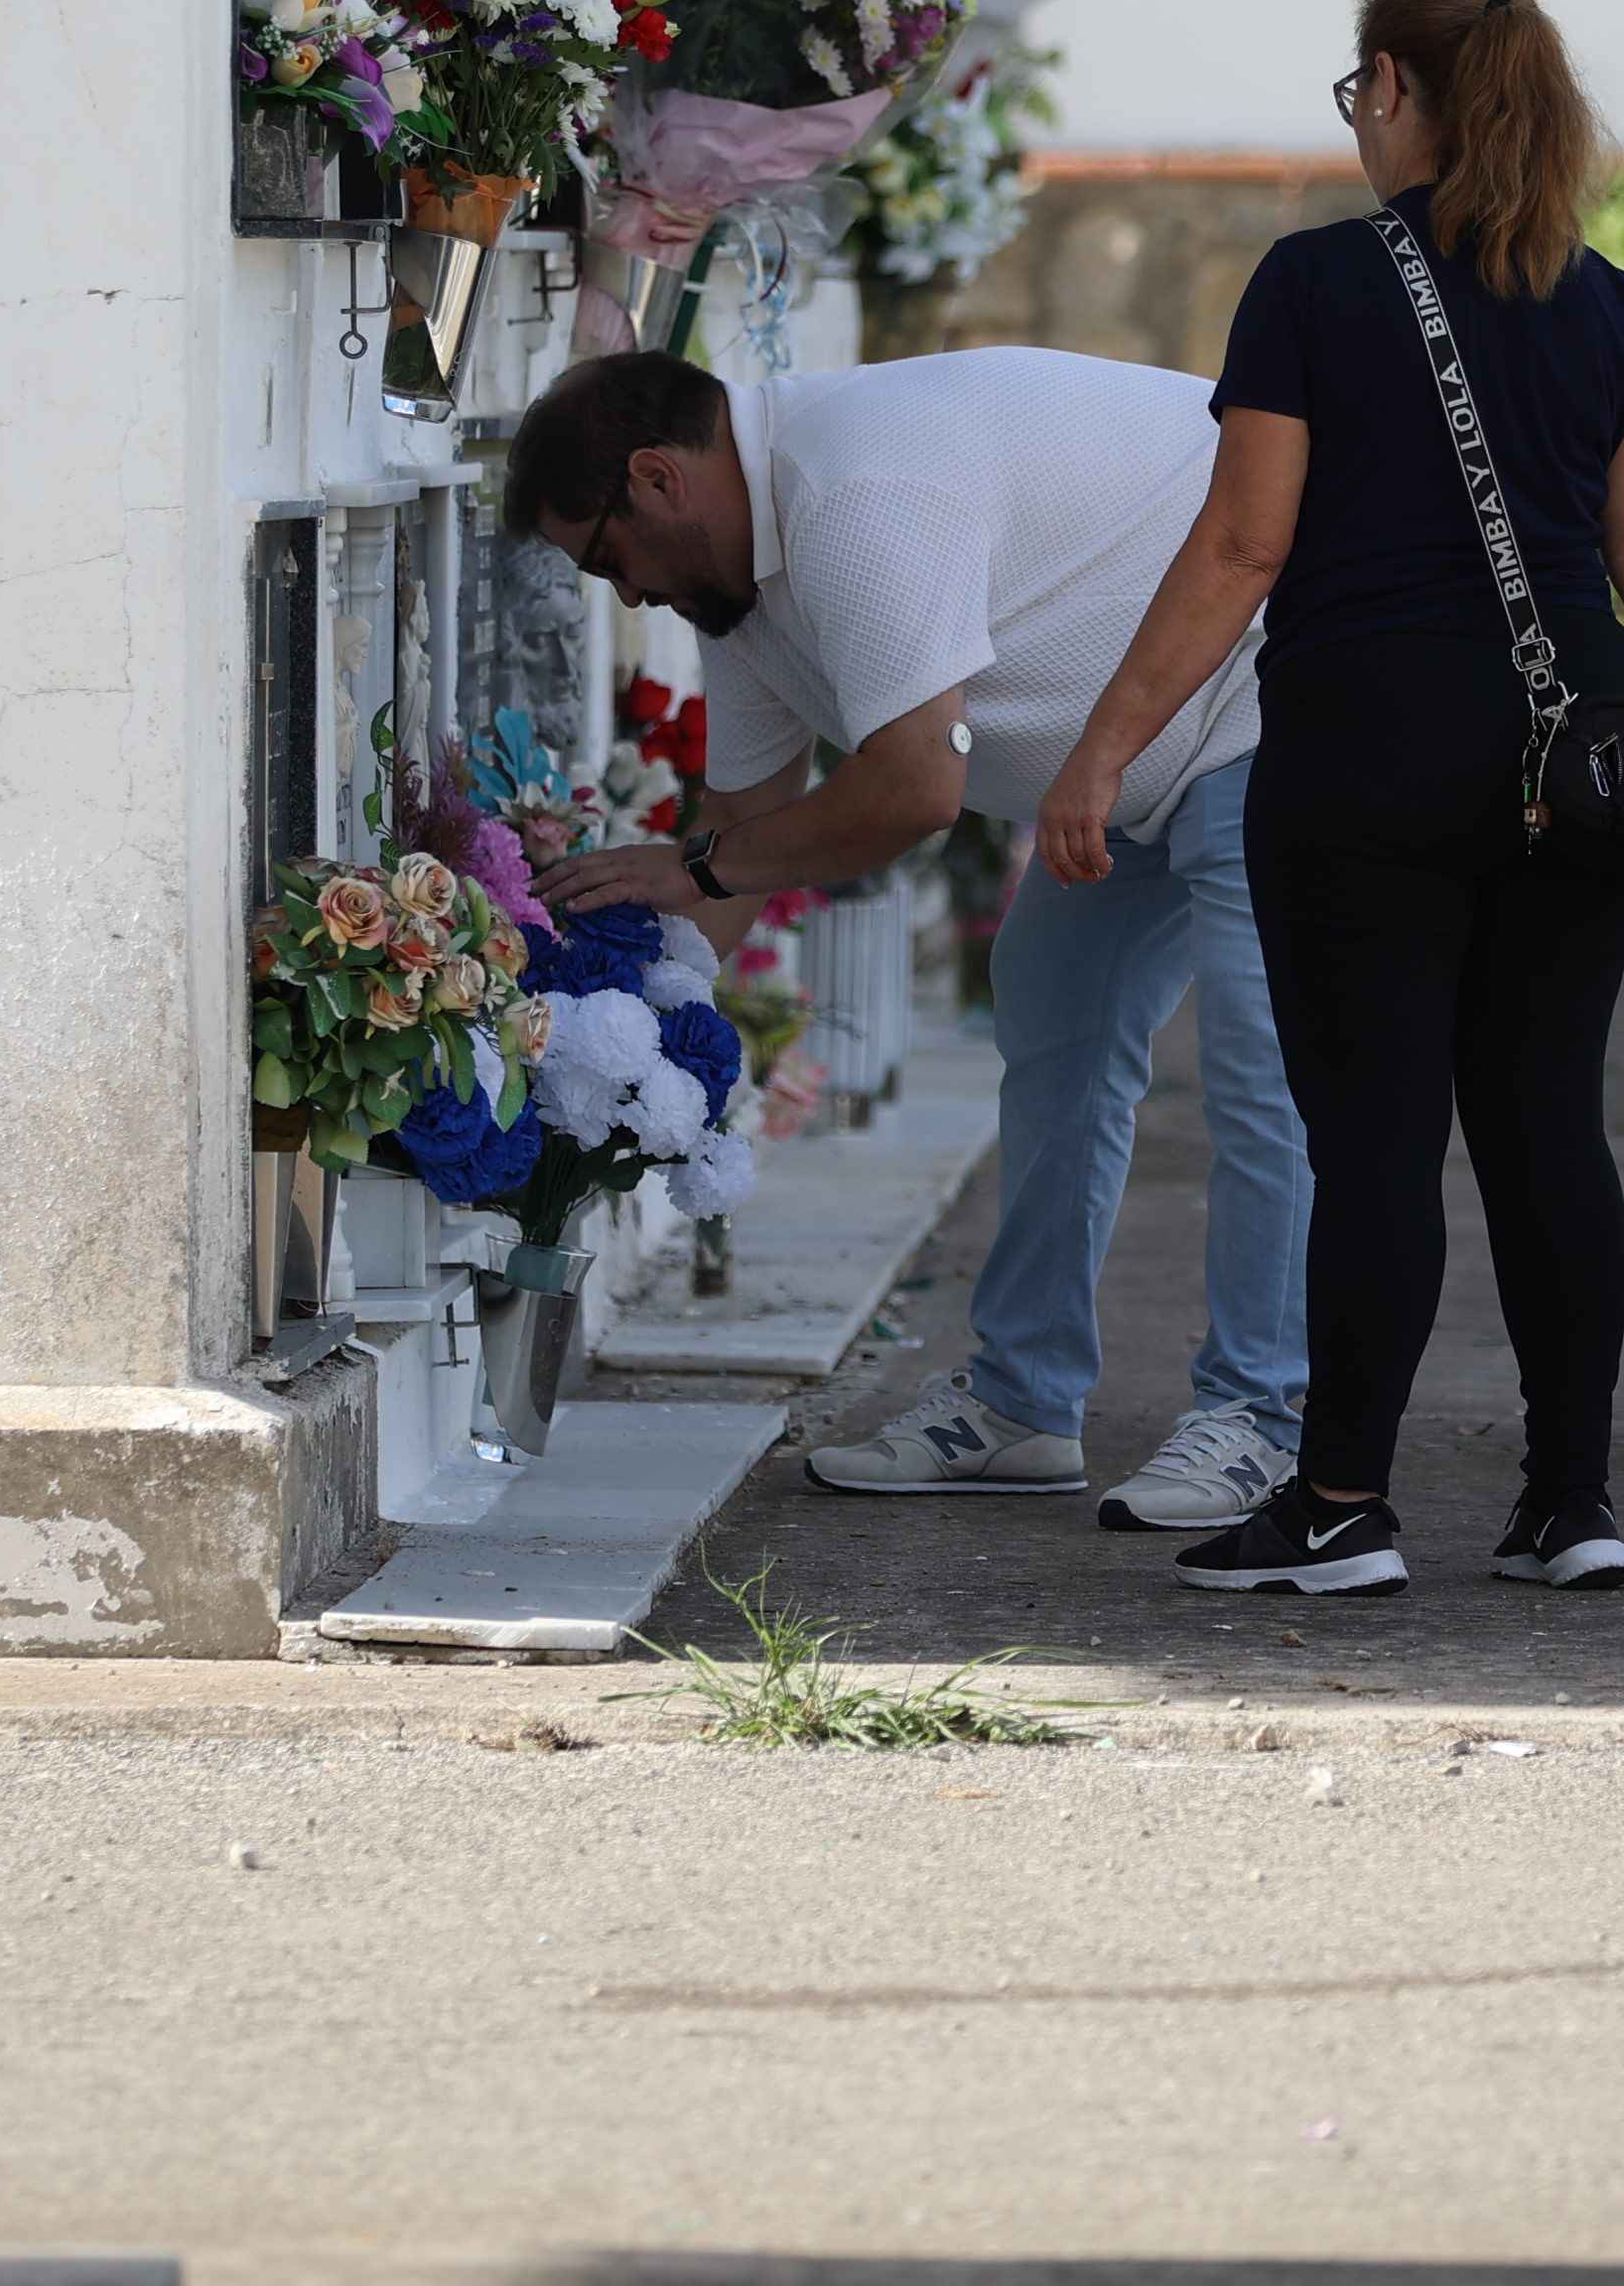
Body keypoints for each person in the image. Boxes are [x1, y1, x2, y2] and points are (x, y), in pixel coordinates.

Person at [1035, 0, 1624, 1598]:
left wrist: (1104, 745)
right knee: (1548, 1128)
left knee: (1375, 1136)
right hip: (1578, 765)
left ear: (1399, 92)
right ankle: (1571, 1502)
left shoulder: (1312, 285)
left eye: (1363, 89)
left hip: (1366, 761)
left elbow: (1240, 543)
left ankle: (1346, 1500)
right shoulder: (1607, 304)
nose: (1358, 118)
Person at [507, 340, 1309, 1531]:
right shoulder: (744, 595)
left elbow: (912, 792)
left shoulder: (851, 492)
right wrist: (622, 1029)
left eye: (610, 557)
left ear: (659, 478)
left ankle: (1265, 1421)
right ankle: (1024, 1405)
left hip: (1270, 696)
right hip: (1128, 766)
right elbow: (744, 831)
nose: (627, 596)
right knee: (1052, 1018)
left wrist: (693, 871)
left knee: (1259, 1067)